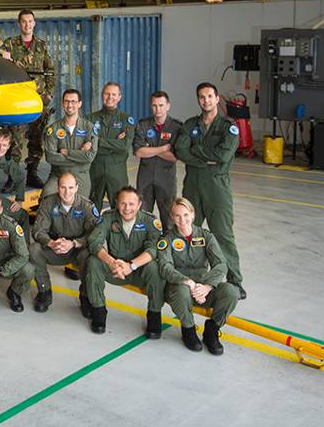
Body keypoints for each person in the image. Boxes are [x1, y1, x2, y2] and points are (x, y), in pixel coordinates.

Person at [173, 82, 244, 297]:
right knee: (187, 231)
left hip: (217, 187)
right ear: (198, 100)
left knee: (223, 234)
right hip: (192, 185)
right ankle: (188, 277)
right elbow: (180, 151)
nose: (206, 100)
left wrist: (196, 151)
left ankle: (235, 280)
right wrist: (206, 158)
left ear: (217, 98)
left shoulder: (228, 126)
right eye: (202, 97)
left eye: (210, 96)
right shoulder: (190, 125)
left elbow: (223, 155)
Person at [157, 198, 239, 355]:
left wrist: (207, 286)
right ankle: (188, 330)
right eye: (177, 215)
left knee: (231, 292)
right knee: (182, 292)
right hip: (178, 288)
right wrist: (188, 282)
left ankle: (212, 330)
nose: (182, 220)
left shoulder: (206, 236)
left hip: (202, 288)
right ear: (172, 217)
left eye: (186, 215)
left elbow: (221, 264)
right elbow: (165, 267)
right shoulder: (166, 240)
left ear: (193, 215)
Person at [0, 10, 55, 186]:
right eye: (24, 21)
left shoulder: (42, 46)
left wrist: (48, 94)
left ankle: (32, 173)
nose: (27, 25)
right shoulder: (10, 43)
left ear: (34, 23)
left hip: (38, 100)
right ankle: (13, 177)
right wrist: (2, 52)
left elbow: (50, 71)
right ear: (19, 24)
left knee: (37, 140)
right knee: (15, 141)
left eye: (30, 21)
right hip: (18, 101)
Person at [84, 187, 165, 337]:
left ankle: (154, 315)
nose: (127, 208)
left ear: (139, 204)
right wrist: (111, 262)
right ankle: (98, 311)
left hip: (139, 270)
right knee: (93, 262)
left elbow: (154, 249)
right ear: (116, 203)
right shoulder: (108, 217)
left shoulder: (150, 221)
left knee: (154, 267)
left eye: (131, 204)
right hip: (115, 269)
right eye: (123, 203)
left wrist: (131, 266)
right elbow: (94, 241)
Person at [29, 172, 100, 314]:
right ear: (57, 187)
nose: (67, 192)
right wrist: (51, 243)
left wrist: (74, 243)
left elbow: (96, 234)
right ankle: (44, 291)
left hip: (77, 249)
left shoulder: (86, 206)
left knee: (90, 257)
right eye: (63, 187)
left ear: (76, 188)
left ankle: (85, 297)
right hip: (55, 247)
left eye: (71, 187)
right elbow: (38, 230)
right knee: (34, 250)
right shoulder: (48, 203)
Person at [133, 91, 182, 227]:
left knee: (169, 219)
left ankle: (167, 241)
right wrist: (164, 148)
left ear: (168, 106)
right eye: (154, 105)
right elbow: (138, 152)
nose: (158, 109)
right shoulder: (143, 125)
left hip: (166, 179)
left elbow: (174, 157)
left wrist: (149, 148)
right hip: (145, 178)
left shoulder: (176, 127)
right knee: (142, 217)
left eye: (161, 105)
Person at [86, 82, 135, 207]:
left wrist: (98, 141)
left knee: (120, 206)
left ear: (119, 97)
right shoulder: (90, 119)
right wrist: (114, 142)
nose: (110, 97)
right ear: (102, 95)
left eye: (114, 94)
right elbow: (87, 144)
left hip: (117, 169)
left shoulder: (126, 119)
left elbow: (124, 146)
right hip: (95, 168)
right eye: (107, 94)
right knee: (91, 206)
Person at [43, 89, 98, 198]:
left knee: (81, 204)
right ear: (62, 104)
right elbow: (50, 157)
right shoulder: (53, 129)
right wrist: (79, 154)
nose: (70, 105)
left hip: (80, 176)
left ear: (79, 104)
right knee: (46, 196)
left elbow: (90, 157)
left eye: (73, 101)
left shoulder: (89, 128)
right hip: (59, 175)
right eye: (67, 101)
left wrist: (67, 152)